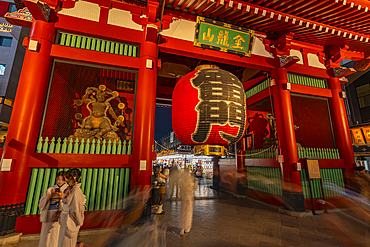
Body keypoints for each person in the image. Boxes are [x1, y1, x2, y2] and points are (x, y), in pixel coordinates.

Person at [38, 171, 68, 247]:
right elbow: (41, 204)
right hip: (49, 215)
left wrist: (62, 197)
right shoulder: (50, 189)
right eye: (58, 179)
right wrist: (49, 196)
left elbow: (70, 204)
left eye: (62, 179)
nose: (59, 181)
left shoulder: (68, 190)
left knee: (57, 236)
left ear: (65, 180)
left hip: (60, 215)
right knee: (46, 237)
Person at [58, 169, 85, 247]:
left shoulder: (73, 190)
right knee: (68, 243)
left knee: (65, 243)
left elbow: (75, 208)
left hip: (67, 219)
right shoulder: (74, 190)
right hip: (70, 220)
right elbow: (76, 210)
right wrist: (80, 221)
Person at [179, 168, 198, 236]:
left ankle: (182, 228)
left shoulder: (182, 179)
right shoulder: (192, 179)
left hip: (184, 196)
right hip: (190, 196)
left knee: (183, 211)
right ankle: (187, 227)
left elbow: (180, 188)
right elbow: (195, 187)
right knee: (189, 212)